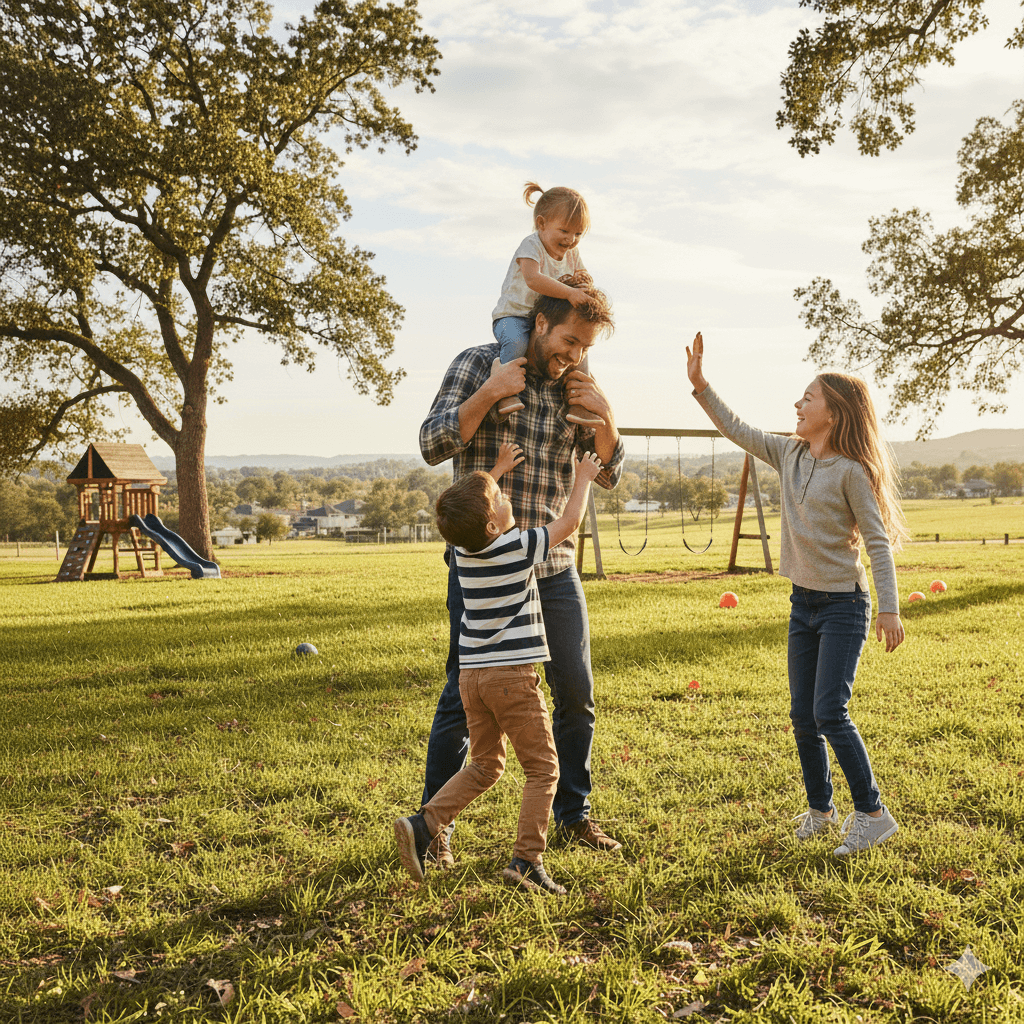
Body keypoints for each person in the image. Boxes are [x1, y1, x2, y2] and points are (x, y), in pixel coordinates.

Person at [419, 273, 625, 868]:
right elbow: (432, 444)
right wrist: (487, 393)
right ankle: (433, 831)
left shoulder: (578, 386)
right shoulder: (480, 363)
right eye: (567, 341)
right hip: (484, 570)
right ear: (539, 322)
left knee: (576, 695)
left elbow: (607, 474)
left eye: (584, 348)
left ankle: (573, 815)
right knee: (462, 700)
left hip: (554, 566)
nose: (573, 356)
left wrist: (606, 422)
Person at [686, 331, 907, 856]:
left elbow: (877, 542)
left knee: (830, 712)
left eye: (808, 398)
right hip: (802, 603)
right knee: (802, 716)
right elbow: (737, 429)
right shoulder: (789, 452)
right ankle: (820, 809)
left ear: (833, 413)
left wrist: (891, 609)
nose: (797, 404)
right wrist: (700, 385)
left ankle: (872, 813)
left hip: (844, 607)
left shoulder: (852, 472)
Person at [394, 445, 606, 895]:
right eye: (500, 498)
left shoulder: (461, 551)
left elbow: (463, 511)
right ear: (493, 523)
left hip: (473, 679)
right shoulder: (517, 547)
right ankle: (527, 861)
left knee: (486, 764)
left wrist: (493, 473)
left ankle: (425, 822)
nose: (508, 498)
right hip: (512, 680)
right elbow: (568, 524)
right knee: (544, 769)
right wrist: (583, 476)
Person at [490, 183, 603, 426]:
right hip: (514, 316)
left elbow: (584, 275)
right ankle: (503, 391)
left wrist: (584, 283)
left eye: (577, 233)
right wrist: (570, 294)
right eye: (564, 230)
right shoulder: (531, 246)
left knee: (580, 356)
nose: (570, 239)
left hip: (543, 320)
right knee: (516, 342)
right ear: (541, 224)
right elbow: (533, 279)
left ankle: (580, 403)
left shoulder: (572, 254)